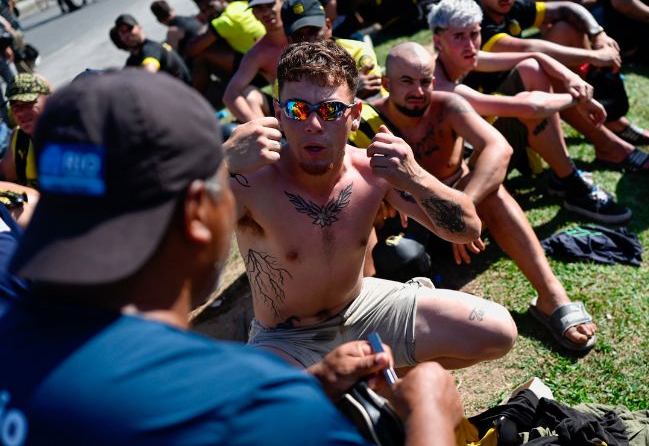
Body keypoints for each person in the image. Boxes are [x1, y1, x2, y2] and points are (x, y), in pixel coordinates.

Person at [0, 68, 464, 445]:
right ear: (199, 217)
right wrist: (430, 413)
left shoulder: (13, 335)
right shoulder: (240, 406)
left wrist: (306, 386)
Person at [226, 40, 517, 368]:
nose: (314, 124)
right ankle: (358, 384)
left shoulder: (374, 171)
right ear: (279, 114)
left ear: (354, 116)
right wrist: (219, 166)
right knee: (269, 409)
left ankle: (378, 375)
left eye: (331, 110)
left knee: (497, 330)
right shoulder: (250, 180)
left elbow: (466, 231)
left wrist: (416, 177)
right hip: (286, 337)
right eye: (297, 109)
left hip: (364, 307)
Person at [353, 42, 599, 351]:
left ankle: (552, 297)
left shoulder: (447, 105)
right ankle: (364, 323)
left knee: (493, 192)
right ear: (387, 84)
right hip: (408, 222)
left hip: (459, 208)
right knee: (395, 254)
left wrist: (460, 208)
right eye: (406, 81)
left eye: (425, 80)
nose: (418, 89)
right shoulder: (366, 122)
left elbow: (499, 148)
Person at [427, 0, 637, 223]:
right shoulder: (442, 87)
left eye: (475, 34)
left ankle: (565, 176)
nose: (470, 45)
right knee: (528, 111)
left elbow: (534, 56)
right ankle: (570, 182)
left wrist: (572, 78)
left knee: (531, 69)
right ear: (438, 41)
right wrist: (578, 98)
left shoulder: (461, 56)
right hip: (456, 183)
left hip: (475, 153)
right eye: (459, 36)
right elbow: (531, 108)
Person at [476, 0, 649, 145]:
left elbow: (566, 8)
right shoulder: (474, 20)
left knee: (567, 29)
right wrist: (593, 56)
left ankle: (608, 120)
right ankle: (605, 144)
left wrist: (597, 34)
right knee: (534, 70)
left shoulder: (509, 5)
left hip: (514, 98)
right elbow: (528, 48)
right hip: (485, 119)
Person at [223, 0, 383, 123]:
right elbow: (302, 121)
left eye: (313, 31)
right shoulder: (281, 75)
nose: (307, 41)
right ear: (289, 38)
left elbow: (377, 101)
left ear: (328, 25)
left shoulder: (357, 50)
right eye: (299, 35)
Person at [185, 0, 266, 95]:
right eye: (204, 11)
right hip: (267, 55)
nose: (208, 12)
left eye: (209, 7)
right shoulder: (238, 5)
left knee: (204, 55)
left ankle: (194, 96)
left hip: (260, 71)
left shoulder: (224, 21)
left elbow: (192, 50)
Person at [0, 73, 49, 189]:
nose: (21, 113)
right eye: (16, 106)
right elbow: (7, 175)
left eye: (29, 103)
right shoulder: (19, 138)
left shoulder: (67, 133)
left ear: (47, 100)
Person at [114, 14, 192, 84]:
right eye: (122, 32)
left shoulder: (152, 48)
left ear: (139, 28)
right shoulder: (132, 60)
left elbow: (148, 73)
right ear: (120, 37)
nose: (127, 34)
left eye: (130, 29)